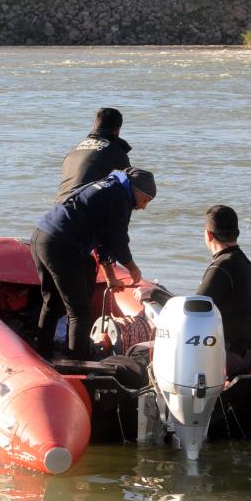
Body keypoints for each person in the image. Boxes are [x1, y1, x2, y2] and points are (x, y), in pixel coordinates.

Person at [32, 167, 156, 361]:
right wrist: (132, 268)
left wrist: (110, 277)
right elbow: (117, 241)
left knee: (52, 302)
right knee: (79, 312)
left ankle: (42, 353)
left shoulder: (110, 186)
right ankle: (76, 361)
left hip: (42, 235)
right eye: (145, 200)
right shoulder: (121, 197)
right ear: (137, 190)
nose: (143, 207)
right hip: (62, 244)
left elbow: (104, 240)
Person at [197, 205, 251, 377]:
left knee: (146, 355)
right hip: (247, 355)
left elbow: (192, 310)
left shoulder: (221, 267)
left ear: (208, 235)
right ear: (236, 232)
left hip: (228, 359)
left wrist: (156, 294)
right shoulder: (246, 264)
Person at [55, 108, 132, 203]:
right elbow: (129, 188)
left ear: (94, 126)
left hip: (58, 208)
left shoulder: (73, 150)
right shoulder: (115, 151)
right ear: (117, 130)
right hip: (83, 208)